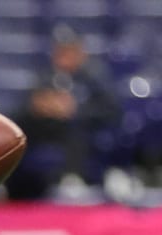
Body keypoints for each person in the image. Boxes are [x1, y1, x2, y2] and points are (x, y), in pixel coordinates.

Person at [7, 28, 119, 199]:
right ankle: (5, 183)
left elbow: (110, 110)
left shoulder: (92, 77)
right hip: (46, 128)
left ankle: (72, 180)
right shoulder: (46, 76)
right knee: (16, 126)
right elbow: (27, 104)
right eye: (61, 51)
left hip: (80, 129)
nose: (65, 57)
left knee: (75, 130)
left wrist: (76, 109)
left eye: (70, 51)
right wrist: (41, 106)